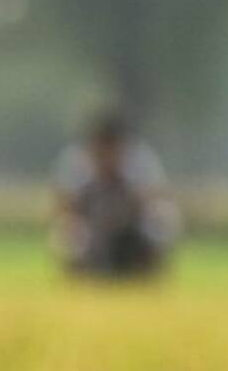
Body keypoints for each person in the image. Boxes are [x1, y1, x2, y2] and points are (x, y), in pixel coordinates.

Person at [51, 110, 180, 278]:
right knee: (68, 228)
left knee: (163, 215)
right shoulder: (77, 161)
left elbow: (156, 197)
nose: (107, 152)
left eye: (112, 145)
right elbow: (63, 205)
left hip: (131, 226)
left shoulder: (139, 159)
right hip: (92, 225)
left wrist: (123, 189)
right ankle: (80, 273)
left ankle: (149, 269)